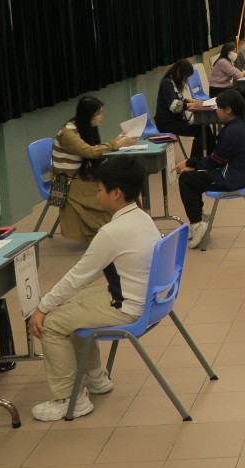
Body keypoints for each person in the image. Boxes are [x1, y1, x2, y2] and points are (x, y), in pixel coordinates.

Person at [26, 160, 158, 421]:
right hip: (146, 299)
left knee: (51, 323)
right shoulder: (142, 217)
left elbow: (79, 276)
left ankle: (68, 400)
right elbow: (90, 272)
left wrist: (41, 308)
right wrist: (53, 302)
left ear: (116, 193)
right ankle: (95, 377)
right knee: (68, 305)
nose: (96, 195)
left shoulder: (112, 232)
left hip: (128, 306)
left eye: (99, 189)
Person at [176, 90, 245, 249]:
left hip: (233, 178)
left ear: (228, 109)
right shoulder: (244, 123)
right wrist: (194, 165)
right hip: (244, 173)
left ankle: (197, 223)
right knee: (193, 175)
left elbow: (214, 162)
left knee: (186, 179)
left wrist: (189, 162)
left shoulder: (231, 131)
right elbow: (217, 160)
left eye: (219, 108)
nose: (216, 111)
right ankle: (200, 217)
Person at [52, 96, 137, 242]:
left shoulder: (83, 128)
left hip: (78, 175)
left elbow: (92, 150)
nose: (101, 117)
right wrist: (118, 144)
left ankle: (125, 229)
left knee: (121, 184)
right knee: (112, 192)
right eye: (98, 114)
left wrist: (116, 142)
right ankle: (116, 232)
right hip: (65, 182)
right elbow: (90, 152)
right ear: (87, 116)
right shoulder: (68, 134)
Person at [154, 59, 206, 141]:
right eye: (186, 76)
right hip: (167, 123)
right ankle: (203, 149)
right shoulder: (167, 83)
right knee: (200, 131)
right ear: (179, 71)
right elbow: (175, 107)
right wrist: (194, 105)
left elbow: (177, 99)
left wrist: (188, 101)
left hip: (175, 121)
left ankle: (212, 149)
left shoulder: (173, 83)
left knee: (204, 127)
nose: (186, 79)